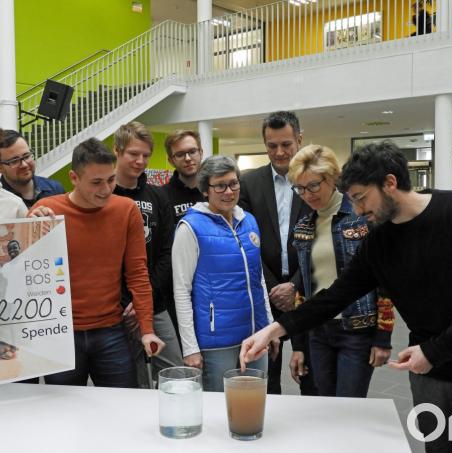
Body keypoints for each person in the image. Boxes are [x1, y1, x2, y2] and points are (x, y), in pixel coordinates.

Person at [240, 140, 452, 452]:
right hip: (429, 373)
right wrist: (275, 329)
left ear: (390, 183)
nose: (356, 210)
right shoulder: (380, 239)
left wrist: (434, 351)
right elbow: (337, 295)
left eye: (360, 198)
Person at [28, 137, 165, 388]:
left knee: (122, 406)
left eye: (111, 180)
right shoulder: (46, 210)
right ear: (74, 178)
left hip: (110, 330)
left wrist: (147, 329)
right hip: (61, 333)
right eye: (96, 182)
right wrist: (29, 228)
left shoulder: (126, 210)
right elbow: (26, 272)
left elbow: (137, 273)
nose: (106, 189)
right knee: (65, 409)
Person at [287, 144, 395, 397]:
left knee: (349, 405)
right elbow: (303, 287)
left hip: (357, 331)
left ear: (333, 177)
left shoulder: (362, 217)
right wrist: (299, 344)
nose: (307, 194)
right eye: (300, 188)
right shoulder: (304, 225)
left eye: (314, 185)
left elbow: (382, 280)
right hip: (318, 332)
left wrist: (383, 336)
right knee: (325, 405)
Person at [172, 156, 279, 392]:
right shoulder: (190, 227)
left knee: (253, 398)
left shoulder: (249, 221)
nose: (228, 191)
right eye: (220, 185)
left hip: (255, 334)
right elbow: (181, 290)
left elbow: (258, 278)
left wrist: (269, 327)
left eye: (233, 183)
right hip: (216, 341)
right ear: (205, 190)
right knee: (219, 409)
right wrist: (190, 347)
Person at [238, 110, 316, 396]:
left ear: (299, 139)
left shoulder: (315, 181)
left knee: (310, 372)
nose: (280, 152)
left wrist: (294, 284)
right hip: (264, 291)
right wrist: (274, 288)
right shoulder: (249, 183)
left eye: (286, 144)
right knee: (265, 376)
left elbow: (320, 241)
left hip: (307, 288)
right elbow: (247, 241)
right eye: (272, 146)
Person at [111, 122, 182, 387]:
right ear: (117, 151)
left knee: (176, 372)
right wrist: (126, 302)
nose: (140, 161)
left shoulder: (157, 196)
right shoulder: (103, 196)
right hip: (118, 309)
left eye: (145, 155)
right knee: (134, 380)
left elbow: (167, 253)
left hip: (154, 303)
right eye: (133, 154)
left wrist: (144, 296)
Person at [0, 129, 65, 208]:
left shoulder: (55, 189)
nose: (24, 165)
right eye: (14, 161)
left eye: (26, 156)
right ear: (0, 167)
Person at [161, 130, 206, 223]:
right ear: (171, 161)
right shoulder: (162, 197)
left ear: (201, 153)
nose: (188, 158)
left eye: (192, 151)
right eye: (180, 154)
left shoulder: (215, 191)